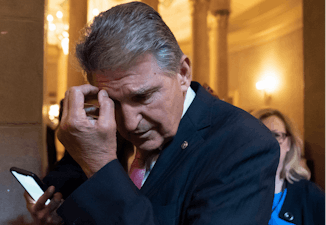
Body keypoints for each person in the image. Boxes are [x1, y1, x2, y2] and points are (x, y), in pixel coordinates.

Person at [24, 2, 279, 224]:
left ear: (183, 74)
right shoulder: (108, 131)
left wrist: (101, 166)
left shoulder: (244, 144)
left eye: (142, 96)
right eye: (113, 102)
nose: (130, 123)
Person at [251, 108, 325, 225]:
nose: (268, 142)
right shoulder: (235, 193)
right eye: (259, 135)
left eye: (276, 135)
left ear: (289, 144)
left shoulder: (310, 194)